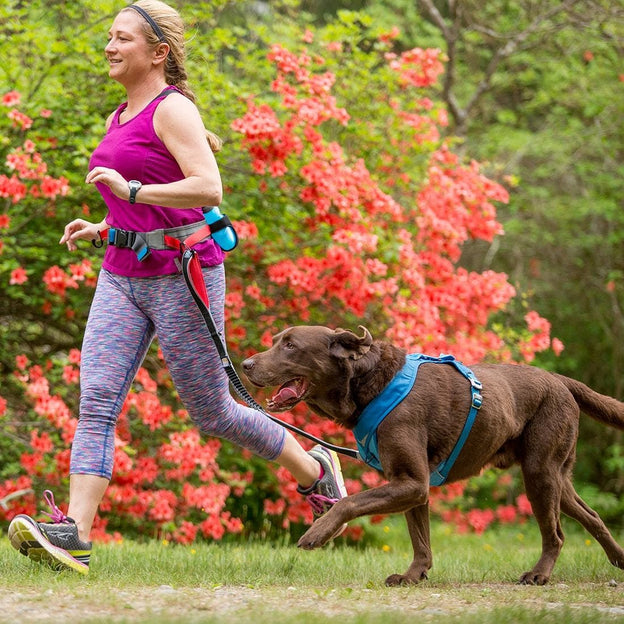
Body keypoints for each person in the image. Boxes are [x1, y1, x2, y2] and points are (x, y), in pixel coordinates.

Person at [8, 0, 346, 575]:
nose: (110, 47)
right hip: (121, 273)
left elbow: (207, 189)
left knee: (212, 411)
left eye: (123, 39)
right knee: (95, 404)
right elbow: (144, 203)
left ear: (158, 52)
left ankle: (315, 471)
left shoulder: (173, 110)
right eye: (109, 37)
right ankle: (75, 534)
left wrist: (131, 192)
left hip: (181, 277)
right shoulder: (120, 115)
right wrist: (106, 225)